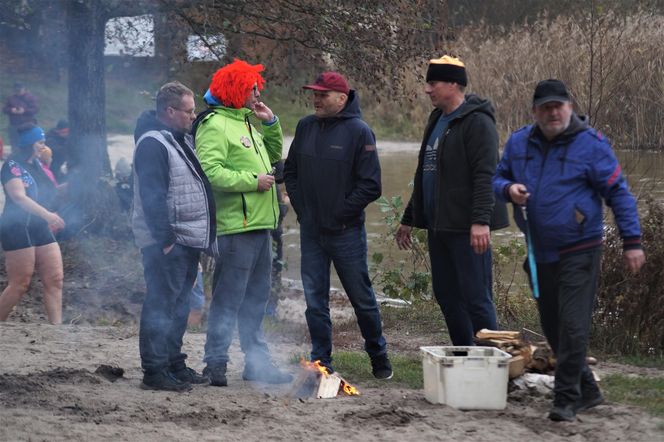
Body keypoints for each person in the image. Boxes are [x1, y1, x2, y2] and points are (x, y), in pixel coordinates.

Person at [493, 79, 646, 421]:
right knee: (553, 325)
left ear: (569, 107)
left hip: (581, 248)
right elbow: (497, 177)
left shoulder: (591, 145)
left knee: (573, 326)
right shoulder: (519, 142)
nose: (552, 113)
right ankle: (589, 390)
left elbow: (619, 193)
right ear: (535, 112)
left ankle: (565, 399)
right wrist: (509, 189)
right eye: (545, 107)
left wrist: (632, 242)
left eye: (558, 106)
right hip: (539, 251)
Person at [284, 71, 393, 379]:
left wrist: (339, 213)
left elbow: (371, 186)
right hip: (311, 232)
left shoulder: (359, 132)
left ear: (341, 99)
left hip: (346, 233)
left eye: (322, 95)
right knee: (314, 302)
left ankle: (378, 356)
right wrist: (304, 211)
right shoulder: (305, 127)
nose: (316, 99)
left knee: (362, 300)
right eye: (314, 94)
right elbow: (290, 172)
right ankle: (322, 361)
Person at [395, 55, 508, 346]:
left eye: (433, 83)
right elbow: (425, 173)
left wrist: (481, 221)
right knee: (446, 295)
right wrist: (409, 217)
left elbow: (486, 175)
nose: (427, 90)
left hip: (467, 229)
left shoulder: (478, 122)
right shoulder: (436, 120)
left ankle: (492, 364)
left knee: (476, 298)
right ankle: (465, 357)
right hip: (439, 226)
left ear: (454, 84)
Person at [194, 59, 292, 387]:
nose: (258, 92)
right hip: (235, 227)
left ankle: (257, 363)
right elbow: (210, 171)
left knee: (256, 299)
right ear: (236, 89)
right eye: (252, 87)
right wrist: (252, 181)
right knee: (228, 298)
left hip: (262, 224)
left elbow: (273, 159)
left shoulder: (247, 121)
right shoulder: (214, 124)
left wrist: (271, 123)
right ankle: (215, 363)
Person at [132, 81, 216, 392]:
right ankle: (154, 371)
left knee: (180, 305)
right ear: (170, 111)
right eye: (189, 111)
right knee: (161, 304)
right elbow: (153, 195)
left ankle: (173, 363)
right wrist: (166, 239)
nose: (194, 117)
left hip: (186, 238)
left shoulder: (177, 138)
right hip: (167, 242)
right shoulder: (153, 143)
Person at [0, 126, 65, 324]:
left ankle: (57, 328)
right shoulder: (12, 165)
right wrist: (47, 215)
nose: (43, 147)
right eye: (40, 143)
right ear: (29, 143)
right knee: (20, 283)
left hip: (38, 225)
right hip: (16, 226)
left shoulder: (38, 164)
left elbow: (50, 194)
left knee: (55, 279)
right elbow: (19, 197)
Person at [266, 159, 288, 317]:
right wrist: (285, 203)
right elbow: (279, 211)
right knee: (274, 269)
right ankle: (270, 313)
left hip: (270, 231)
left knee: (273, 269)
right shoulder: (270, 180)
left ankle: (269, 312)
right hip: (272, 231)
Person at [3, 82, 39, 149]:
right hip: (14, 125)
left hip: (27, 124)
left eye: (19, 90)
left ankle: (28, 158)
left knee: (28, 144)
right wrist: (11, 110)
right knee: (14, 144)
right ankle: (15, 158)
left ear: (24, 89)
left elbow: (35, 109)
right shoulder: (10, 98)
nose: (18, 92)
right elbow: (4, 109)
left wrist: (24, 111)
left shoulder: (31, 98)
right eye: (16, 90)